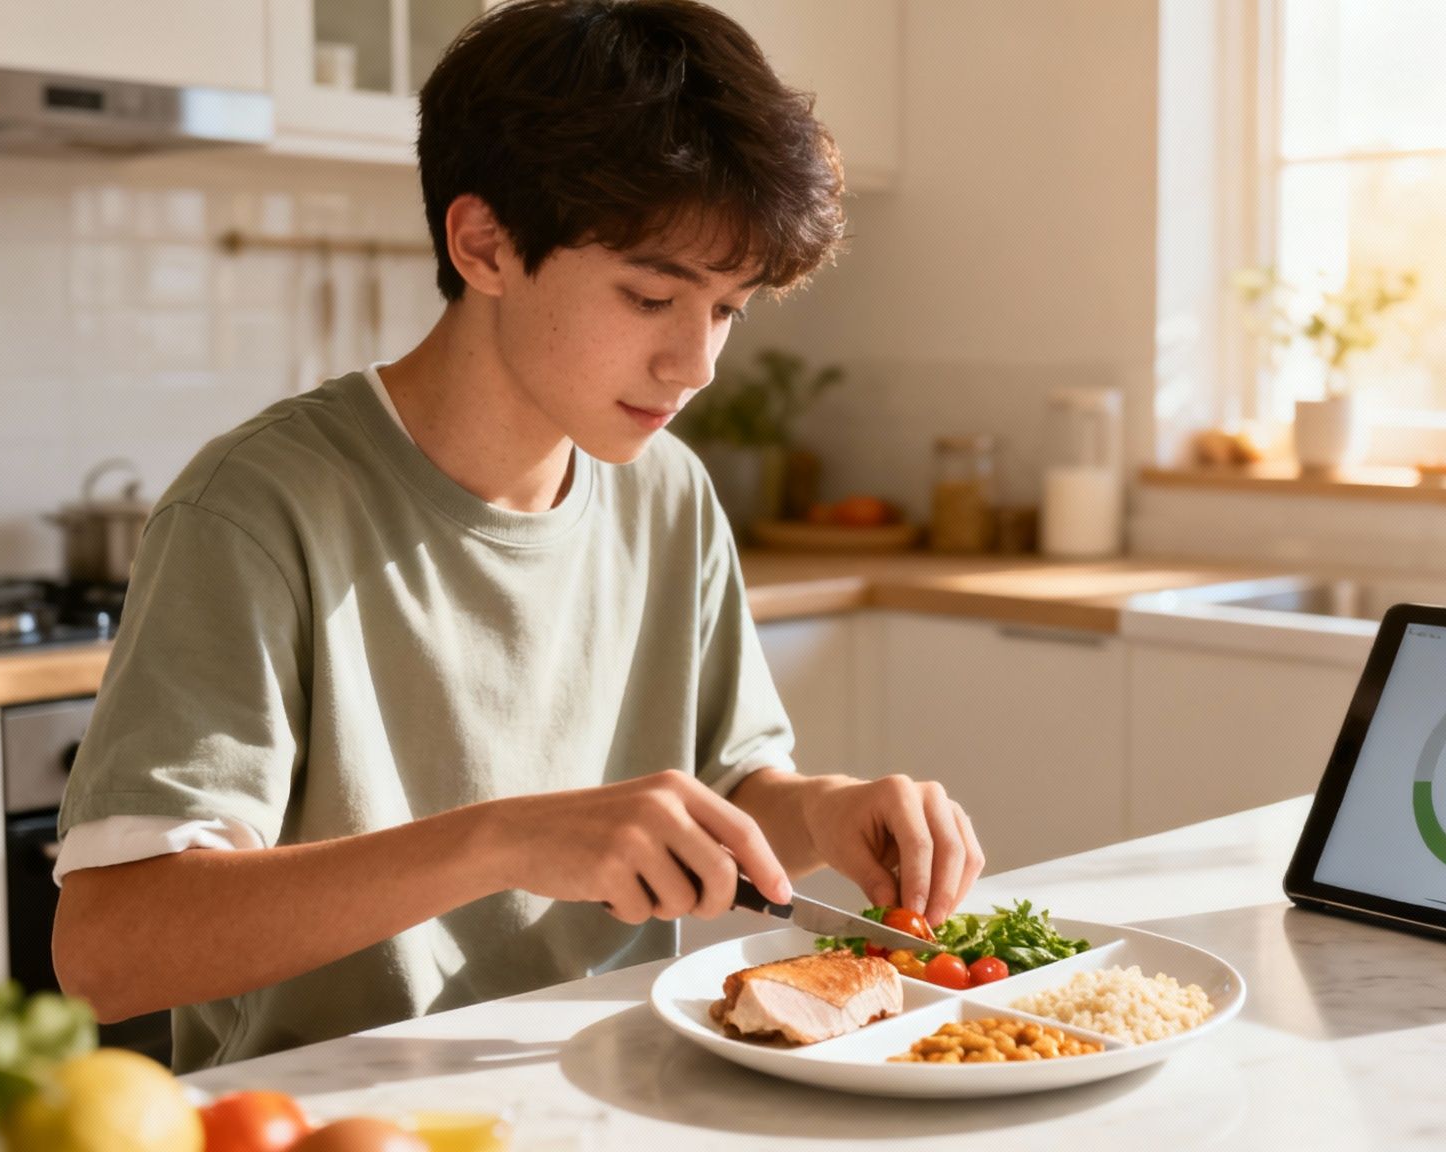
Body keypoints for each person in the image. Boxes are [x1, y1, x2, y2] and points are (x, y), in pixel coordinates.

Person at [51, 0, 984, 1071]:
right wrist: (504, 839)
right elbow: (109, 952)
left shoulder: (666, 493)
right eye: (649, 296)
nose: (697, 365)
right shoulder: (257, 507)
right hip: (339, 1122)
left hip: (618, 1088)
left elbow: (722, 809)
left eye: (726, 308)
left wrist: (820, 814)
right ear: (484, 244)